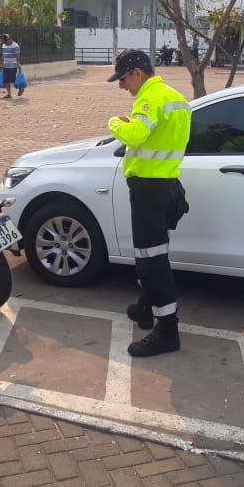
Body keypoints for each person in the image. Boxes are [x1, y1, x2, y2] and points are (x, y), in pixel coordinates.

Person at [107, 49, 191, 357]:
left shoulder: (149, 99)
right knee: (153, 252)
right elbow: (162, 138)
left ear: (137, 73)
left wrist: (115, 123)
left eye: (123, 79)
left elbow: (137, 134)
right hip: (168, 185)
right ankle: (145, 308)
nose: (121, 86)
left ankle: (167, 331)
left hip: (148, 190)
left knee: (151, 262)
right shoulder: (177, 99)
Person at [0, 33, 22, 98]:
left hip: (13, 65)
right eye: (3, 41)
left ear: (9, 40)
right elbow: (3, 55)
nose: (4, 42)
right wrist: (1, 64)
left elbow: (17, 56)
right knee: (6, 80)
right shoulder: (3, 45)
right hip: (5, 65)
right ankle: (9, 94)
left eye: (5, 41)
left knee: (13, 80)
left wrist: (19, 64)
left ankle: (21, 87)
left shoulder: (15, 46)